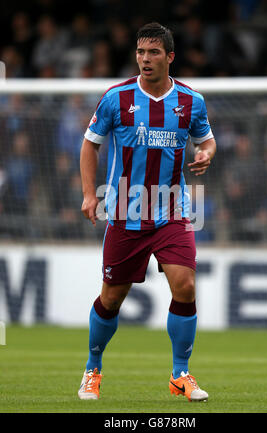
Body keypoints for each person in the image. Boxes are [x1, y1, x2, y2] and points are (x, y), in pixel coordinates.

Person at [78, 22, 216, 402]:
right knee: (111, 298)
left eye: (153, 52)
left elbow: (207, 139)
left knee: (185, 285)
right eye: (140, 52)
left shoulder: (191, 101)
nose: (145, 59)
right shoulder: (116, 98)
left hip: (173, 210)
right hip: (125, 211)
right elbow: (90, 145)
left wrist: (205, 154)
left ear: (170, 57)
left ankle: (180, 374)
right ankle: (93, 369)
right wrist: (90, 194)